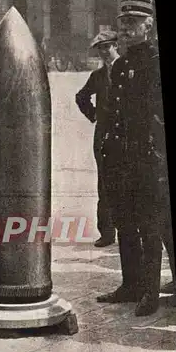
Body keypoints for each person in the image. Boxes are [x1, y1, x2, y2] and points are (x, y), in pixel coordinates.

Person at [97, 0, 169, 316]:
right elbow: (114, 113)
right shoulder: (122, 64)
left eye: (132, 23)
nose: (125, 29)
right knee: (125, 224)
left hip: (147, 160)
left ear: (148, 26)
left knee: (149, 228)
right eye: (123, 23)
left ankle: (150, 293)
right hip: (121, 159)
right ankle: (130, 285)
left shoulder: (154, 62)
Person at [75, 30, 119, 247]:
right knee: (105, 185)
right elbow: (81, 97)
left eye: (107, 47)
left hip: (129, 134)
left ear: (115, 46)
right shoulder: (98, 76)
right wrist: (94, 115)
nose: (104, 52)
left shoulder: (129, 70)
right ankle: (108, 233)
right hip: (103, 136)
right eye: (100, 49)